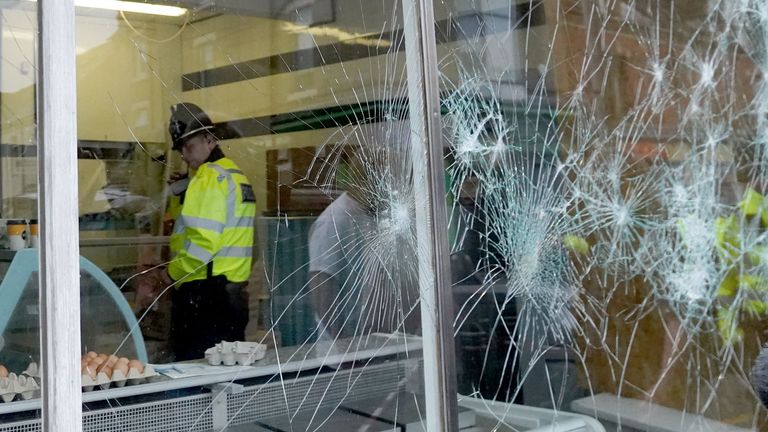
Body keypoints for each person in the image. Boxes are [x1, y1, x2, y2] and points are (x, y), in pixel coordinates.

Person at [162, 102, 256, 361]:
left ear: (209, 140)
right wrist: (183, 192)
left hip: (204, 294)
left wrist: (171, 274)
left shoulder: (207, 178)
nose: (185, 156)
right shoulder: (236, 176)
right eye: (181, 150)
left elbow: (202, 244)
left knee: (193, 373)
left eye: (189, 146)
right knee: (228, 369)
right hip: (234, 293)